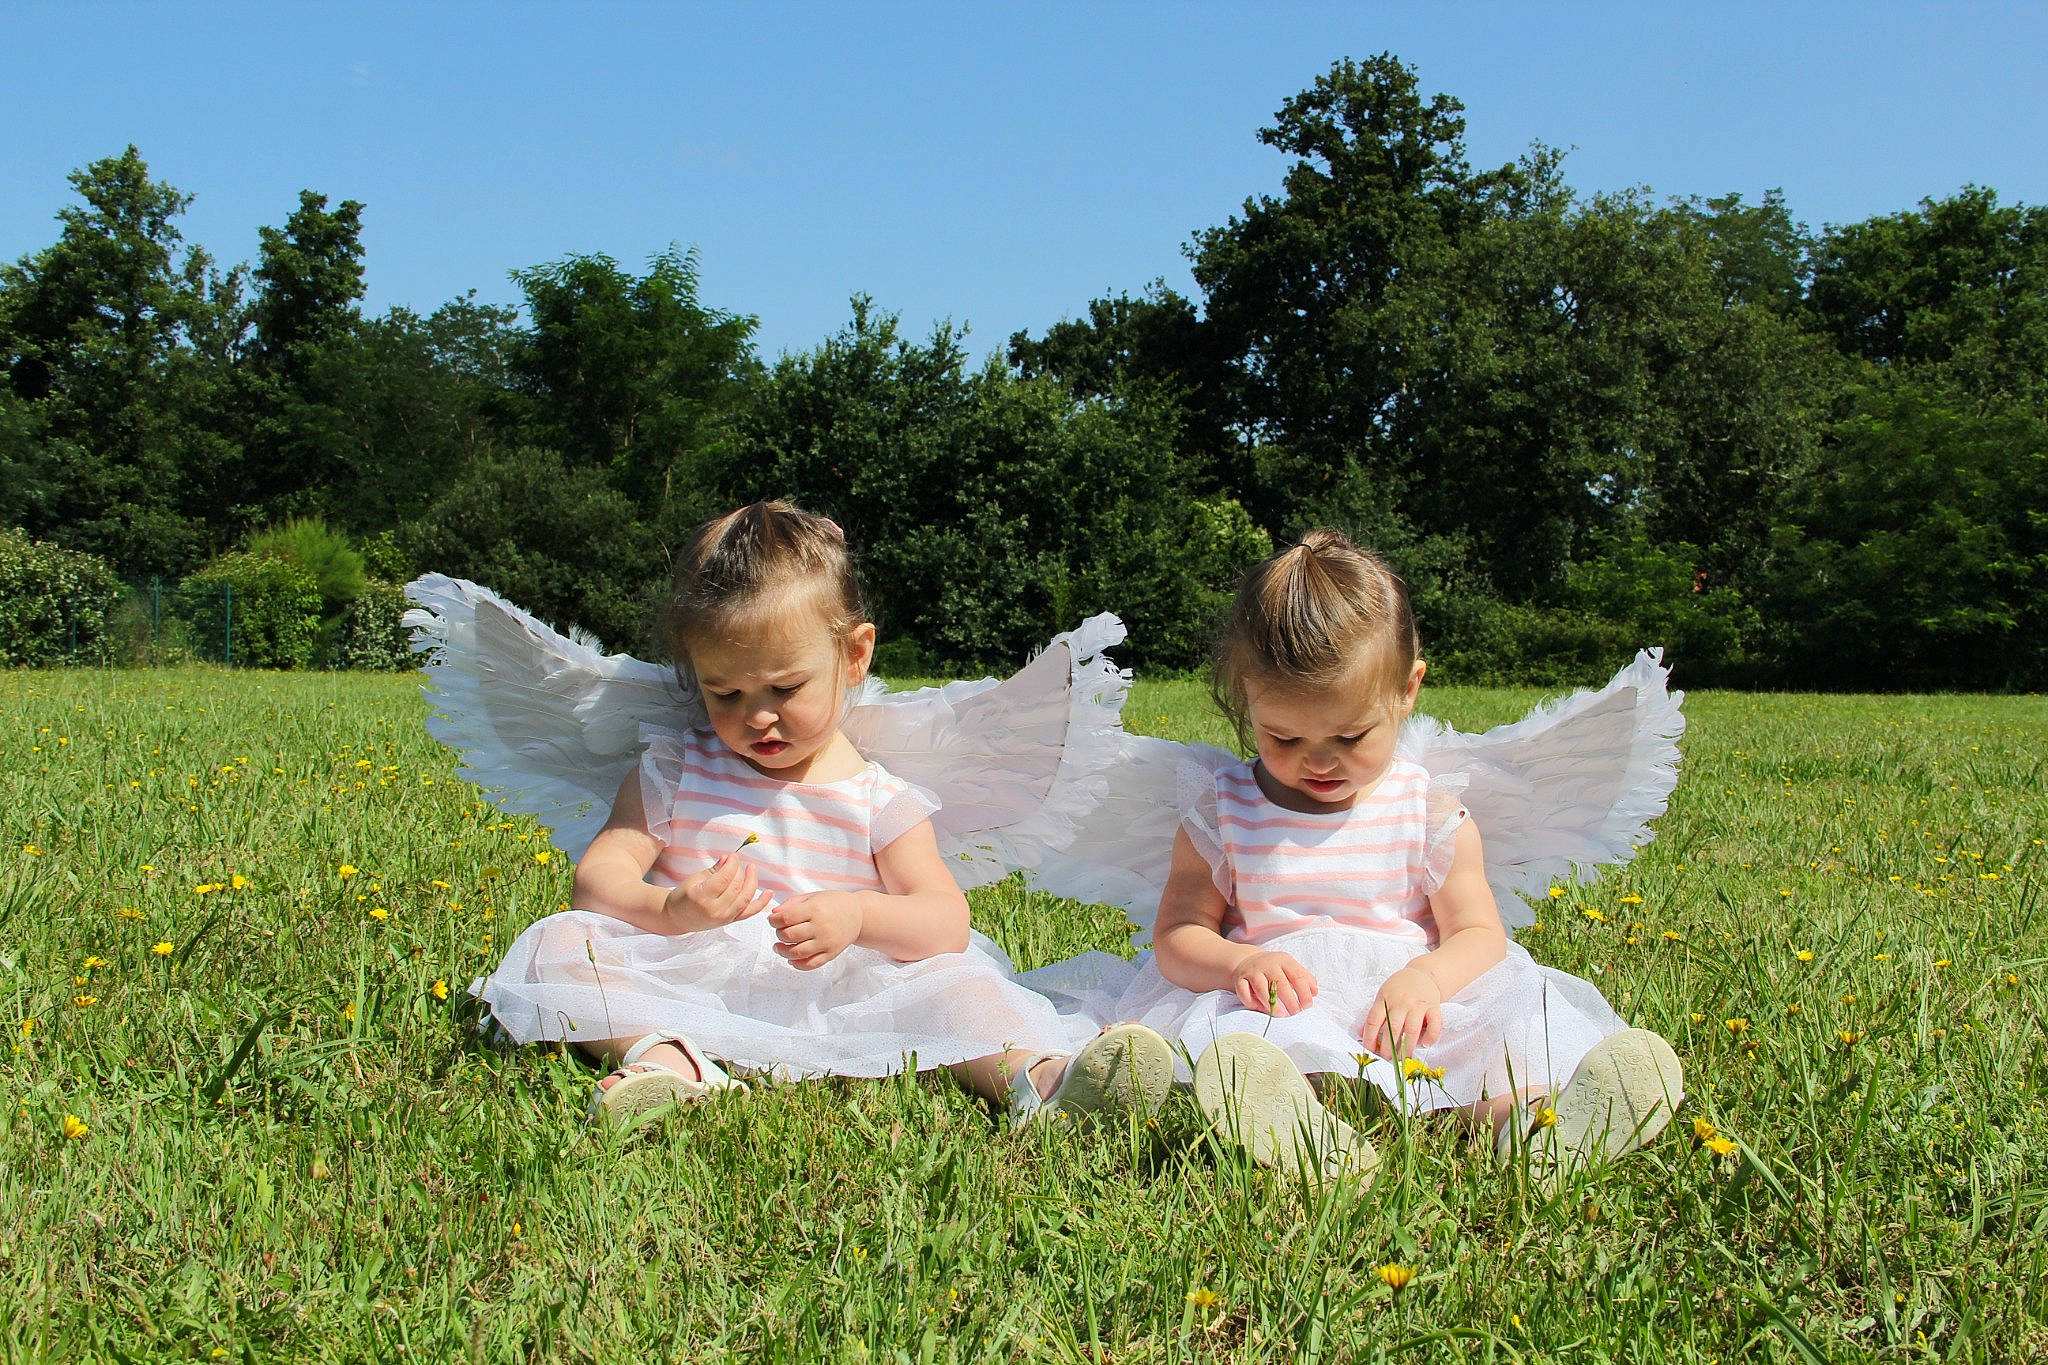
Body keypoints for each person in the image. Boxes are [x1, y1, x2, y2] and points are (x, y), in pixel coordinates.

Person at [428, 502, 1174, 1126]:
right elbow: (597, 880)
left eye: (785, 688)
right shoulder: (675, 768)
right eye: (725, 694)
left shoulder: (879, 795)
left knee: (961, 987)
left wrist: (857, 917)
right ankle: (669, 1059)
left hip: (847, 986)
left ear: (854, 658)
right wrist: (671, 905)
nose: (758, 717)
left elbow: (943, 921)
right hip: (697, 974)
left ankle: (1037, 1076)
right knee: (562, 944)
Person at [1025, 531, 1684, 1182]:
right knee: (1257, 1051)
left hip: (1406, 1006)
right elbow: (1176, 937)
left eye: (1349, 734)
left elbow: (1479, 933)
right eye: (1283, 735)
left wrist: (1428, 979)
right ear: (1247, 697)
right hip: (1278, 1002)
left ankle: (1534, 1128)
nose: (1318, 759)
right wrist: (1239, 961)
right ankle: (1297, 1124)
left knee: (1492, 1046)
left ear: (1408, 689)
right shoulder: (1223, 810)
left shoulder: (1427, 809)